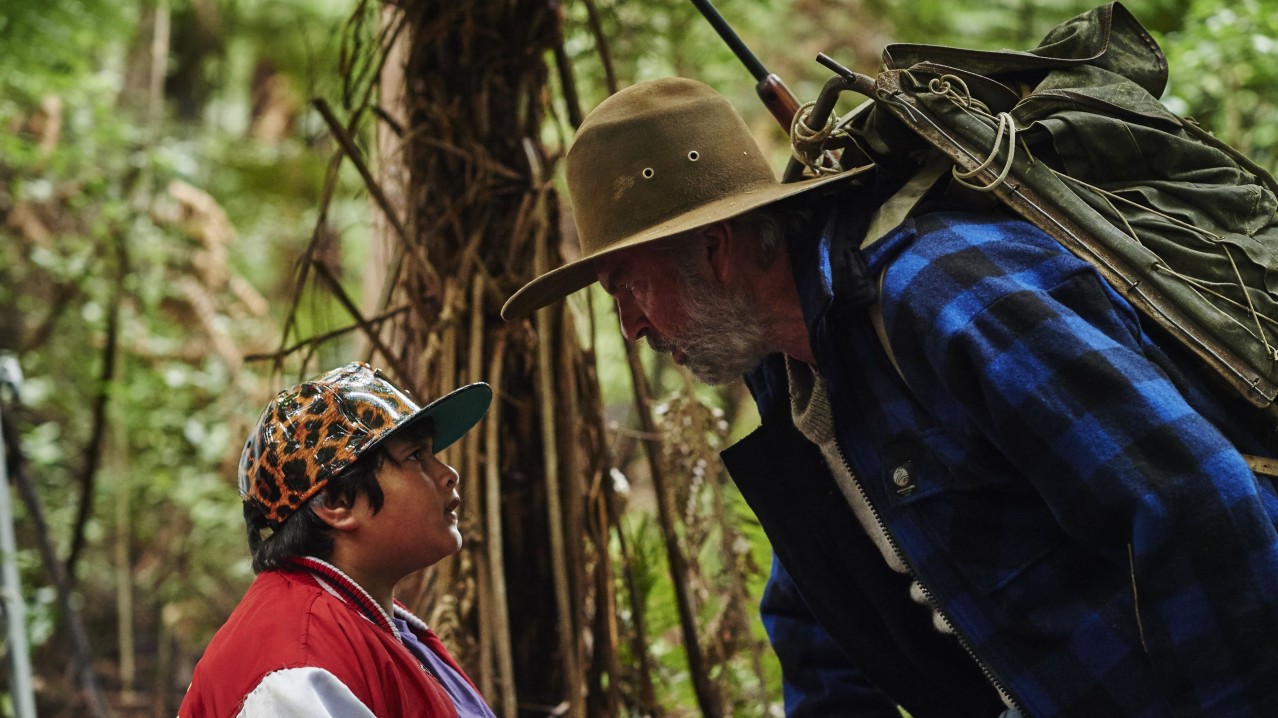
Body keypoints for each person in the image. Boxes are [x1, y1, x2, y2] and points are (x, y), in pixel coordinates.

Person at [500, 77, 1278, 717]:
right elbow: (823, 620)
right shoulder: (791, 374)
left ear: (715, 248)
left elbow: (1194, 502)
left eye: (628, 287)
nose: (631, 326)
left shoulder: (941, 295)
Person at [178, 362, 498, 718]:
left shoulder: (373, 622)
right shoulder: (296, 667)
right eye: (415, 457)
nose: (448, 474)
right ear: (337, 503)